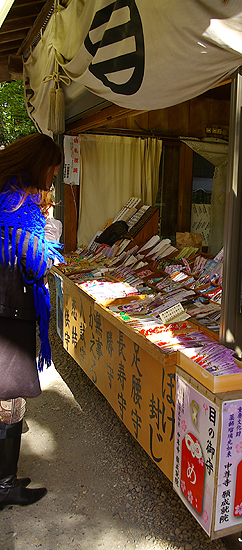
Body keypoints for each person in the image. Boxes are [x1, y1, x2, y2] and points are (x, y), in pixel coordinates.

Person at [0, 133, 64, 509]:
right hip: (9, 313)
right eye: (53, 168)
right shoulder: (19, 203)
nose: (53, 177)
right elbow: (34, 260)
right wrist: (48, 237)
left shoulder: (7, 196)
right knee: (8, 396)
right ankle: (5, 485)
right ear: (41, 164)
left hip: (7, 308)